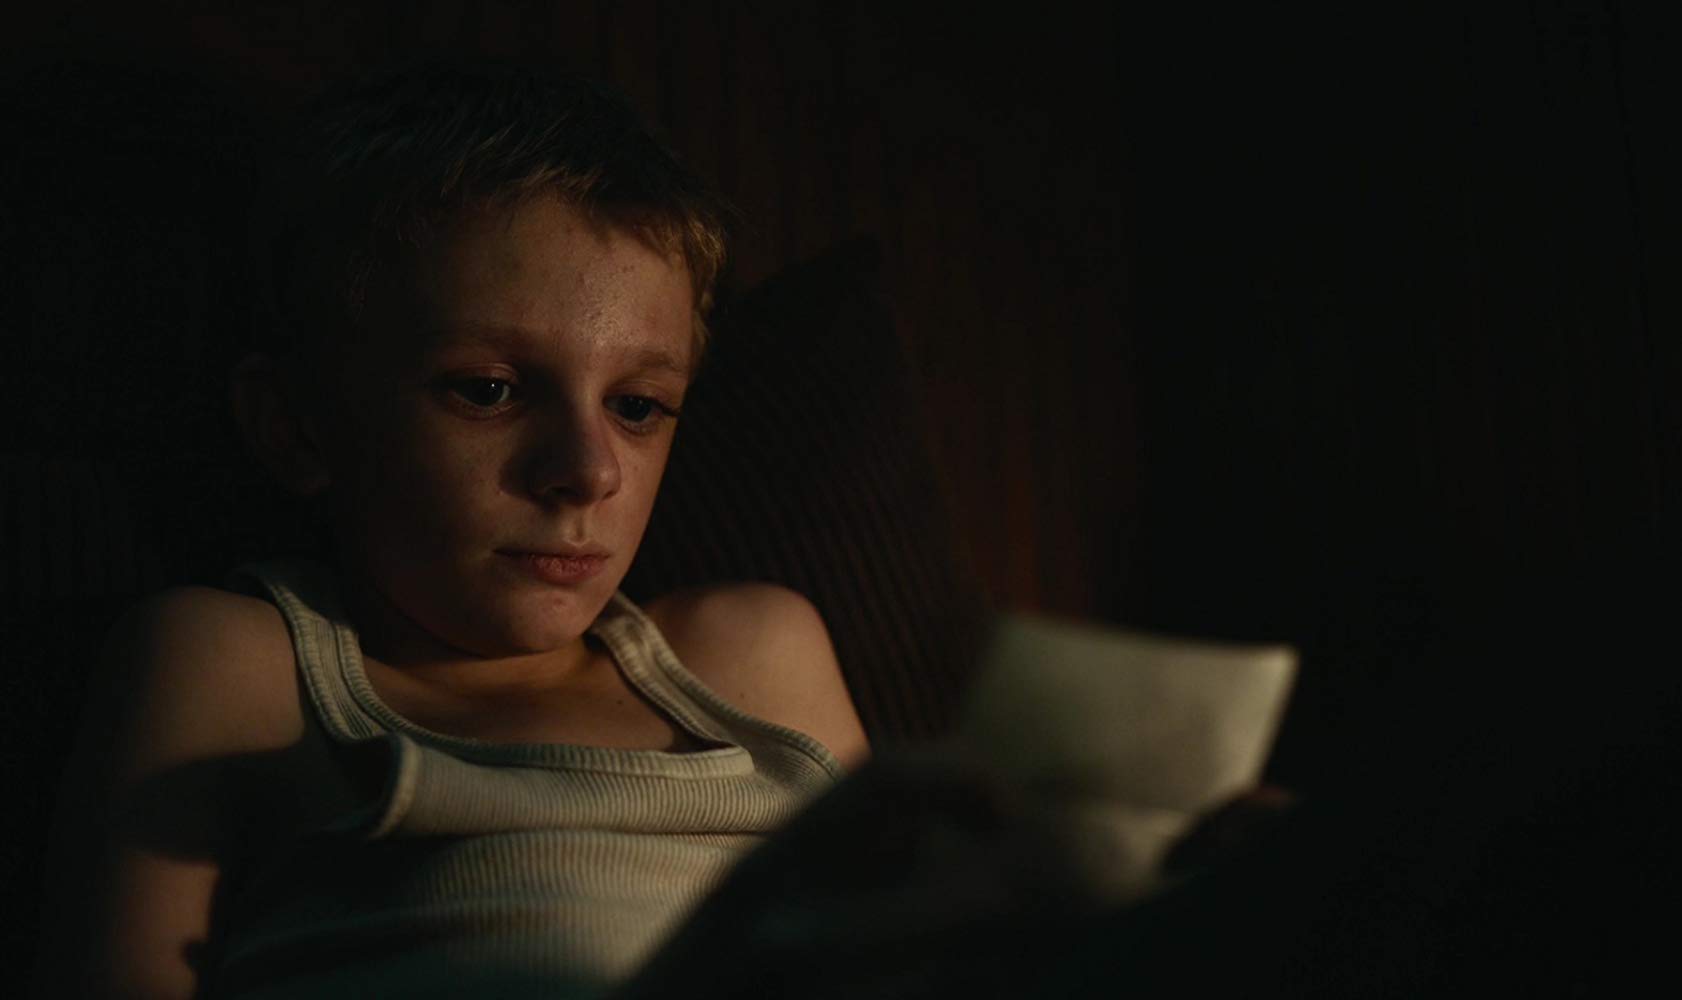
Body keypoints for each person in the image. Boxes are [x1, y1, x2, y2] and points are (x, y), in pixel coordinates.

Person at [34, 62, 869, 999]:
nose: (589, 471)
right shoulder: (237, 668)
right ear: (298, 427)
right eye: (489, 391)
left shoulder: (752, 656)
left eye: (637, 405)